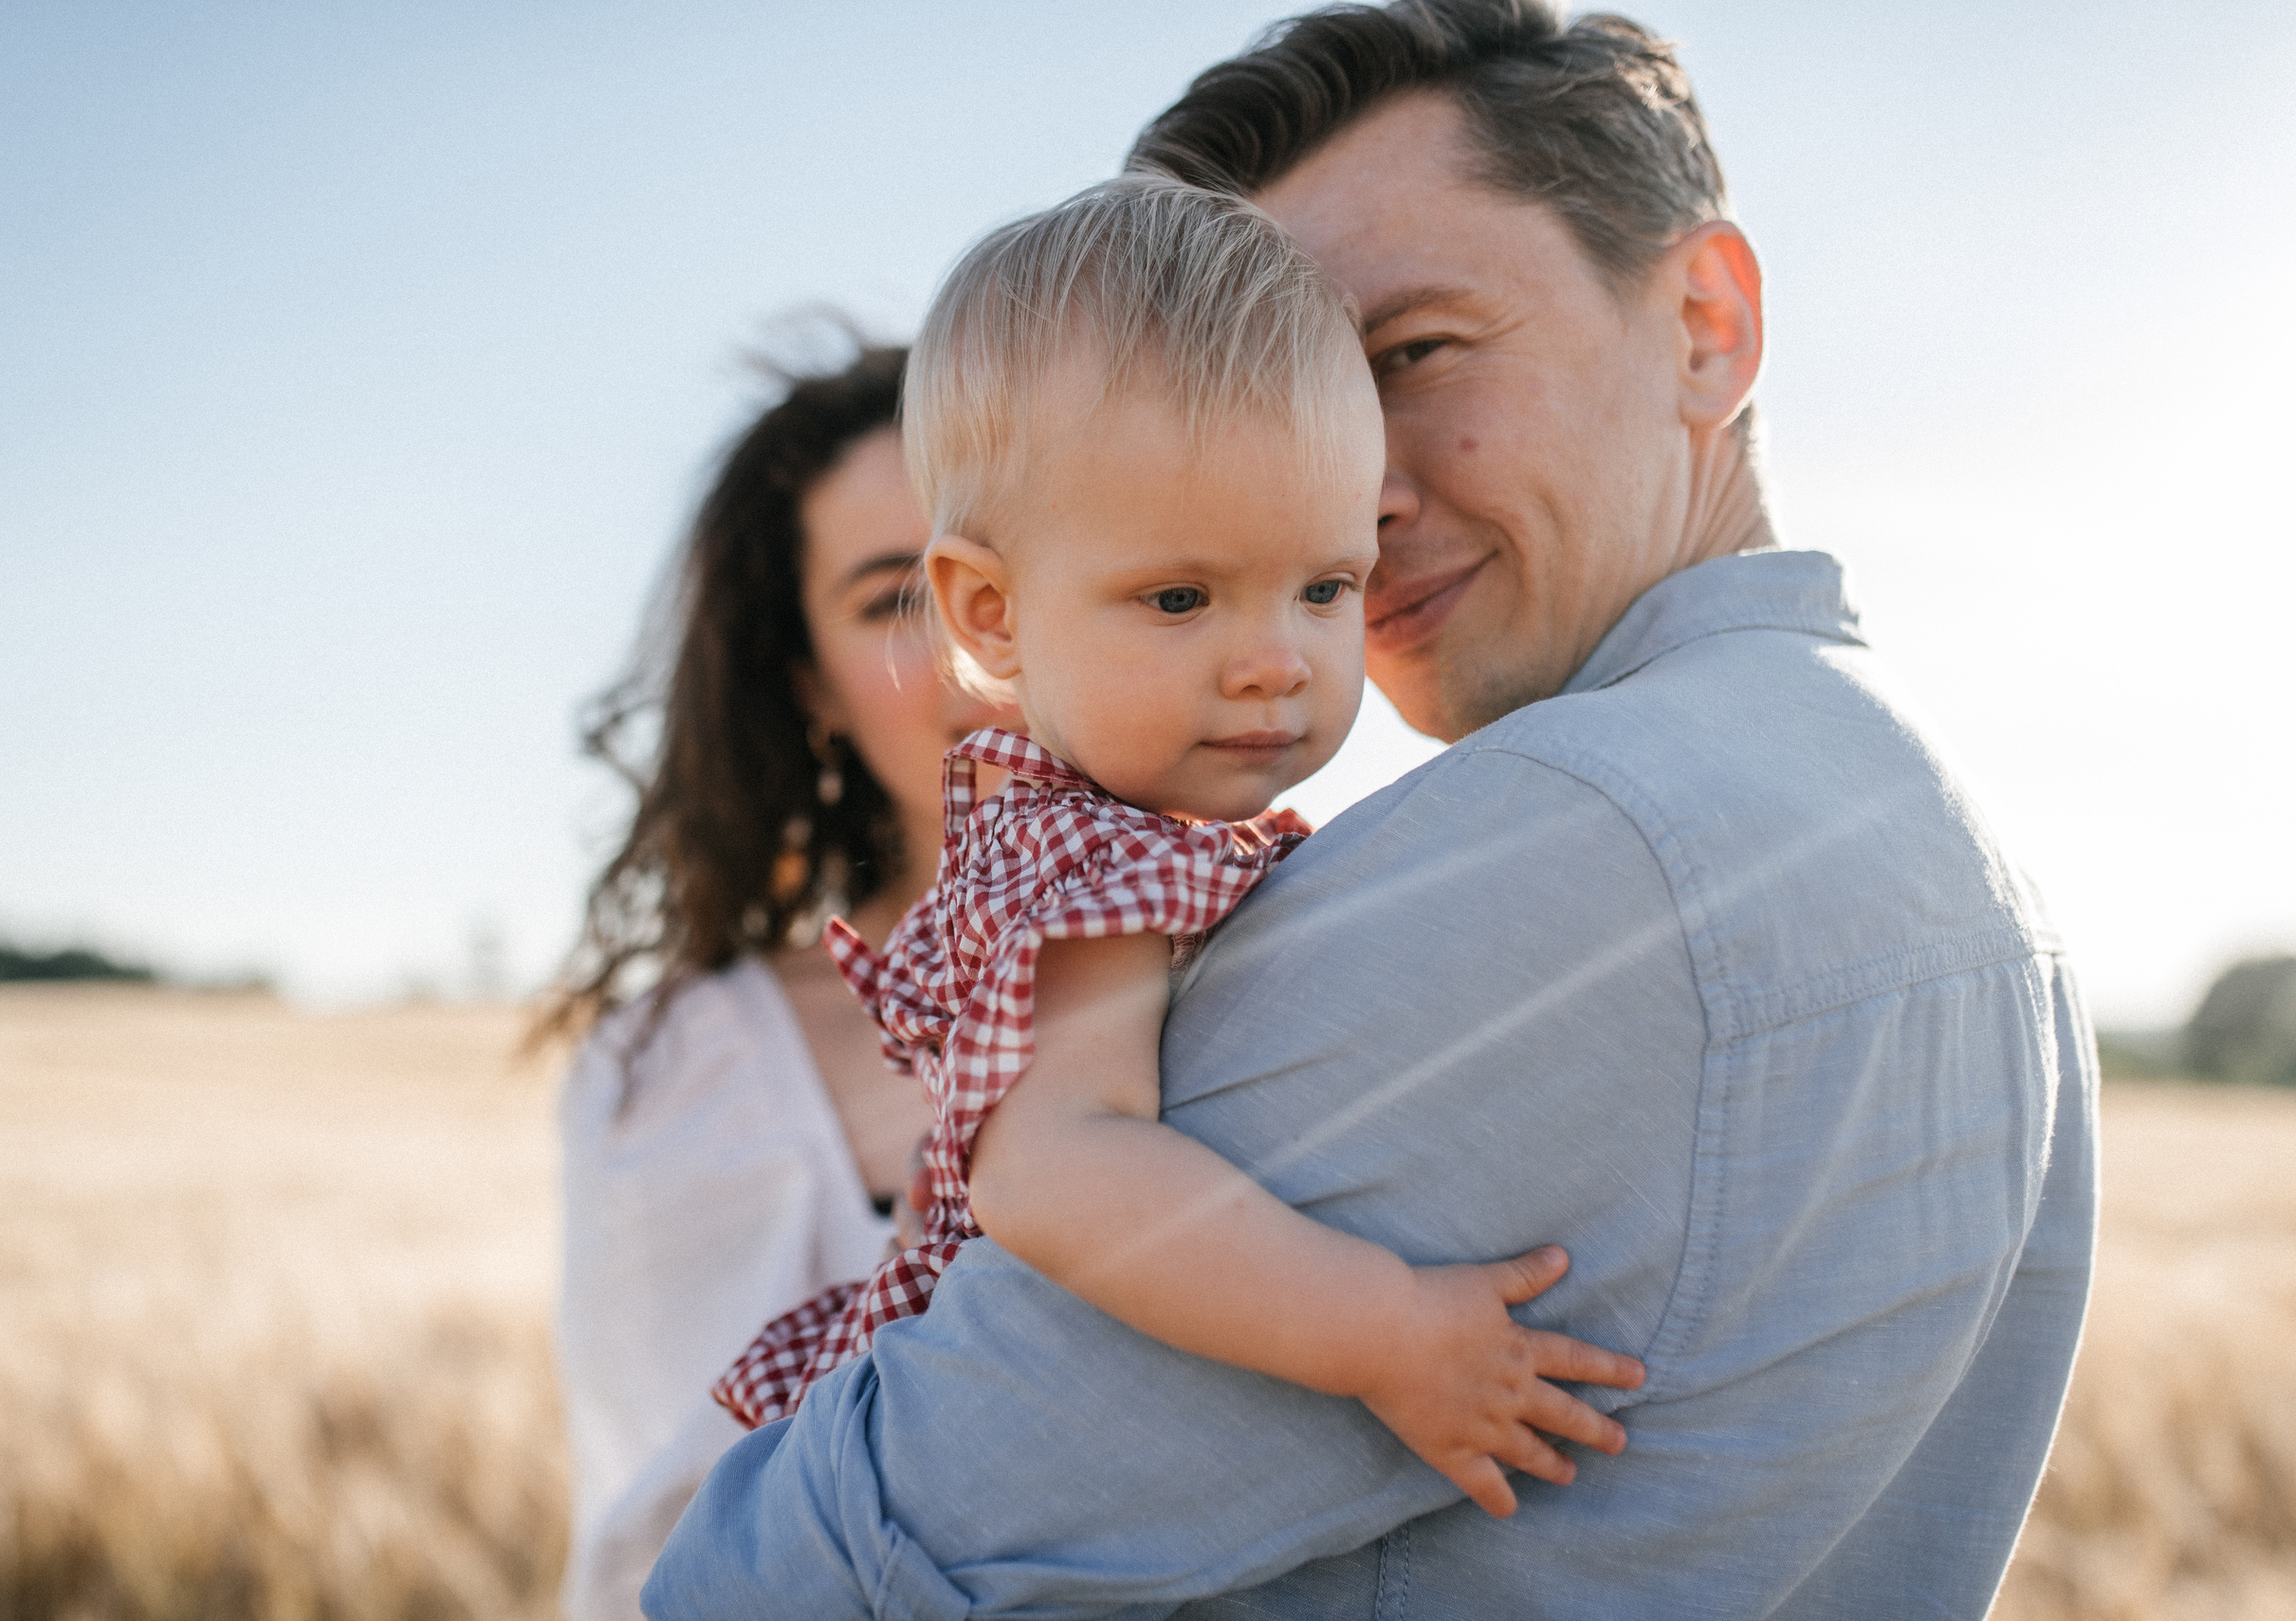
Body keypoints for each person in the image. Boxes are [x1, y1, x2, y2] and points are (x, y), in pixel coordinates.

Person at [646, 3, 2100, 1616]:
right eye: (1280, 392)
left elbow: (822, 1573)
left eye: (1408, 355)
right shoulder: (1972, 862)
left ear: (1704, 321)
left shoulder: (1589, 836)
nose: (1341, 480)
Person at [707, 180, 1646, 1513]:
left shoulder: (1140, 831)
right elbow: (1056, 1172)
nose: (1273, 662)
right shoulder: (1084, 862)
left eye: (1324, 587)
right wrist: (1384, 1328)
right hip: (986, 1486)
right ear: (993, 613)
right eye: (1180, 596)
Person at [544, 341, 1013, 1621]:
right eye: (890, 599)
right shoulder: (697, 1067)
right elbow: (662, 1557)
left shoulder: (1317, 921)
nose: (974, 640)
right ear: (812, 685)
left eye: (1008, 557)